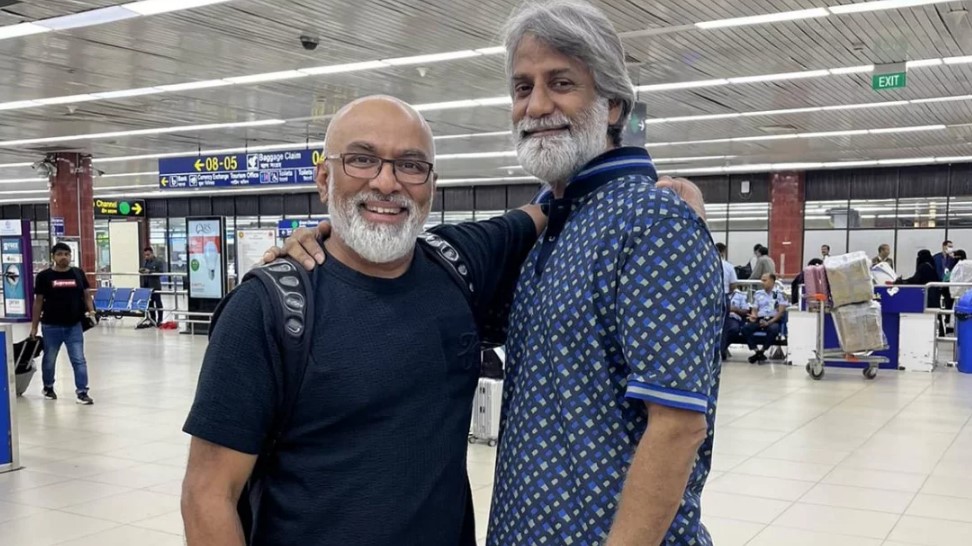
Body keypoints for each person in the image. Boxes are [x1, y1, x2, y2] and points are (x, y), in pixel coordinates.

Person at [269, 2, 721, 544]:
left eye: (561, 83)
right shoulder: (551, 229)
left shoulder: (652, 222)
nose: (537, 105)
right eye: (522, 87)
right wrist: (335, 239)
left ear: (614, 106)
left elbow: (678, 427)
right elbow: (415, 270)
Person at [181, 96, 548, 546]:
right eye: (361, 159)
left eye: (410, 165)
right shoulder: (265, 310)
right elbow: (207, 495)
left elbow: (552, 205)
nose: (387, 182)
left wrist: (635, 175)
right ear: (324, 179)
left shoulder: (458, 263)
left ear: (432, 185)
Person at [29, 243, 95, 405]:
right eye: (59, 254)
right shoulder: (44, 276)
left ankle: (82, 392)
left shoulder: (78, 273)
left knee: (79, 359)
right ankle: (48, 387)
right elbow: (38, 302)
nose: (63, 257)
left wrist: (91, 311)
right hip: (51, 326)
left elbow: (86, 294)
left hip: (74, 325)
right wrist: (34, 327)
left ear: (70, 256)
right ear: (53, 257)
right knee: (50, 359)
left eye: (66, 254)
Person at [743, 273, 787, 364]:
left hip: (773, 319)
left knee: (774, 329)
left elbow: (781, 312)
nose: (762, 282)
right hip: (760, 319)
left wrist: (769, 322)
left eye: (764, 280)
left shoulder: (779, 294)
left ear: (772, 281)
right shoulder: (758, 294)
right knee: (745, 329)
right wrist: (753, 316)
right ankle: (757, 351)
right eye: (761, 280)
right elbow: (755, 309)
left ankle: (762, 351)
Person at [722, 286, 751, 361]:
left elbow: (745, 311)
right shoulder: (721, 293)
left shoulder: (740, 295)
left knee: (734, 329)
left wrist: (735, 309)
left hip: (733, 318)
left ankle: (722, 349)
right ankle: (720, 350)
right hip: (721, 317)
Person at [140, 246, 164, 325]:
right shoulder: (145, 262)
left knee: (158, 303)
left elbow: (161, 272)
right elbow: (144, 270)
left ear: (152, 253)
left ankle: (160, 319)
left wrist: (150, 271)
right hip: (147, 286)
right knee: (150, 303)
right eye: (145, 255)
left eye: (148, 255)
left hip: (155, 286)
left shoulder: (158, 262)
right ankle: (152, 319)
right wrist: (142, 270)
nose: (146, 256)